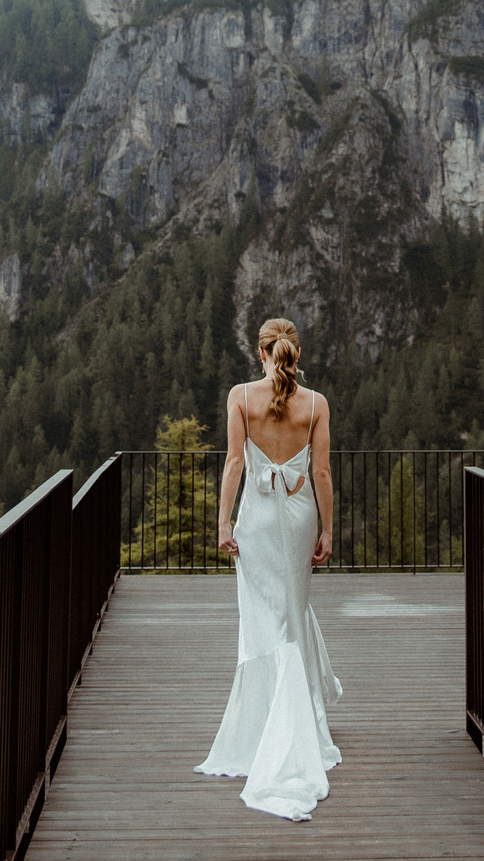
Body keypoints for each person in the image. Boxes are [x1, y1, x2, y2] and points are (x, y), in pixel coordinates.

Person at [195, 317, 343, 821]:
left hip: (255, 520)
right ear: (296, 353)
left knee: (264, 615)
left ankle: (265, 723)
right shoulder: (316, 403)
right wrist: (327, 529)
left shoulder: (240, 396)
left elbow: (235, 462)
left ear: (260, 353)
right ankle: (298, 720)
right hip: (299, 516)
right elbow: (321, 470)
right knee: (293, 610)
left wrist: (222, 523)